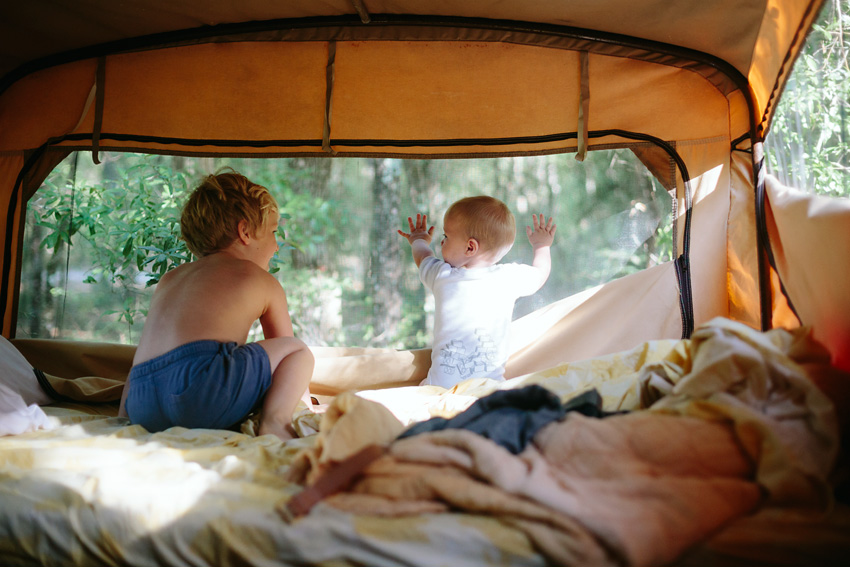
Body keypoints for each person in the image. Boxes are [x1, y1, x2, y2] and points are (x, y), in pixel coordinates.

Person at [118, 170, 314, 441]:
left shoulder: (170, 279)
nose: (276, 246)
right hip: (202, 396)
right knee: (298, 350)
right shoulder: (261, 279)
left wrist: (124, 418)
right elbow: (285, 352)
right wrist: (304, 407)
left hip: (142, 402)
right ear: (245, 231)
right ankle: (276, 423)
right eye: (272, 232)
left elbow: (142, 359)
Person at [398, 195, 556, 388]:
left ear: (470, 247)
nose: (441, 243)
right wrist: (542, 246)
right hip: (489, 389)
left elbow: (423, 257)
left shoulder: (443, 276)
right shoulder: (509, 278)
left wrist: (418, 240)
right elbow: (540, 273)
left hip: (439, 389)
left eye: (446, 237)